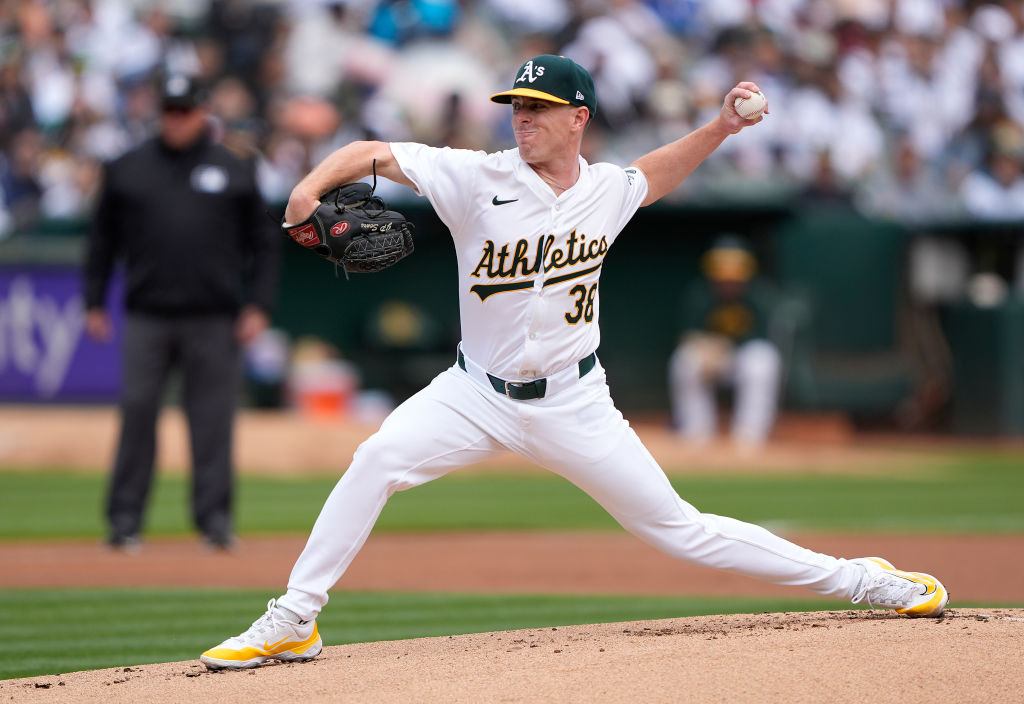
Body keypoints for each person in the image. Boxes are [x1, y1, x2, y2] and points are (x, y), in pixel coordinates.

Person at [200, 55, 947, 670]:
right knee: (376, 458)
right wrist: (306, 189)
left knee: (677, 529)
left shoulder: (606, 191)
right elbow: (370, 153)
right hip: (472, 392)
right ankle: (294, 619)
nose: (521, 118)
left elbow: (652, 174)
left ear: (578, 118)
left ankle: (862, 581)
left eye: (538, 107)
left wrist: (720, 126)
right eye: (516, 107)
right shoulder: (478, 177)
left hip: (572, 404)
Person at [83, 74, 279, 552]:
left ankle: (214, 520)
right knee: (137, 412)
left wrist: (259, 304)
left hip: (213, 316)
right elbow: (102, 240)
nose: (176, 120)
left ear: (202, 113)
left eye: (185, 111)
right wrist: (93, 301)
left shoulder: (233, 168)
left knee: (212, 420)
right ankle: (125, 520)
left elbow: (265, 243)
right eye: (169, 111)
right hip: (147, 313)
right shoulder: (128, 167)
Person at [668, 234, 782, 449]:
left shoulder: (759, 296)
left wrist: (726, 348)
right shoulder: (700, 294)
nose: (728, 279)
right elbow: (688, 335)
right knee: (684, 361)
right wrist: (708, 350)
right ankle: (696, 434)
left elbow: (762, 339)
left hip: (742, 360)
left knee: (763, 361)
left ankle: (749, 439)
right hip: (711, 358)